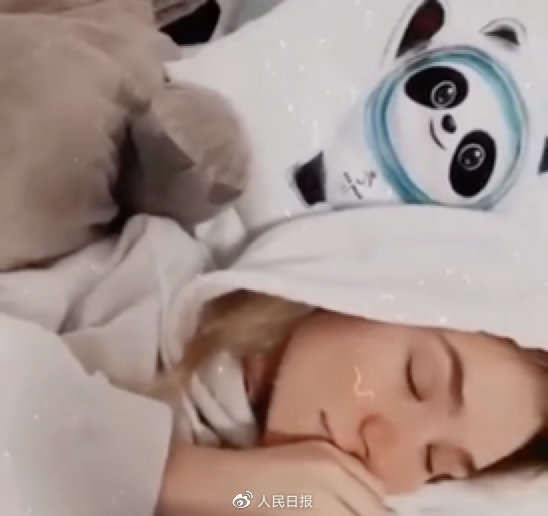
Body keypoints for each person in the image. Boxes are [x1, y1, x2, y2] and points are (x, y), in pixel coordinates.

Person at [2, 207, 548, 516]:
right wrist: (174, 475)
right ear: (361, 287)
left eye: (435, 463)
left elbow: (252, 495)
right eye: (416, 380)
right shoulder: (145, 281)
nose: (382, 445)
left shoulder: (283, 498)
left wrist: (248, 492)